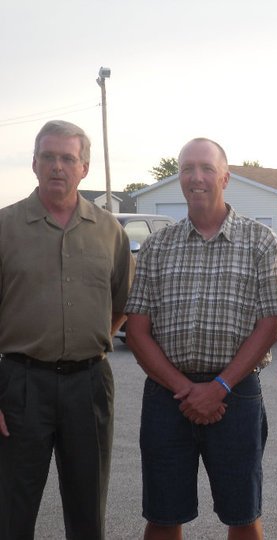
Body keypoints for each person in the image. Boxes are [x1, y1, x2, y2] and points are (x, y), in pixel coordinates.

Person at [124, 138, 277, 540]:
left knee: (243, 514)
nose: (196, 177)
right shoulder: (157, 246)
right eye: (187, 169)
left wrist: (218, 388)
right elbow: (138, 330)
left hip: (235, 394)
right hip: (167, 395)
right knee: (162, 515)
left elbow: (269, 327)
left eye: (206, 168)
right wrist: (185, 389)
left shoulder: (260, 242)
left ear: (225, 177)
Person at [0, 120, 132, 539]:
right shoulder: (4, 227)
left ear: (84, 168)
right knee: (11, 512)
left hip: (88, 386)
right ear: (34, 164)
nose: (58, 166)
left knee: (87, 512)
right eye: (49, 157)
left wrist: (88, 342)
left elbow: (122, 304)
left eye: (67, 158)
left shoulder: (110, 232)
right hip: (20, 385)